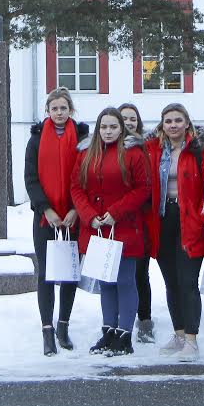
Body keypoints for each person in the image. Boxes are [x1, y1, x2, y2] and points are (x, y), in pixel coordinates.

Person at [71, 107, 152, 357]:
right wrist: (88, 215)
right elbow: (76, 187)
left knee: (125, 281)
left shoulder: (133, 153)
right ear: (98, 129)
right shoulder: (86, 153)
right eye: (104, 127)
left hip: (124, 227)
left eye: (113, 127)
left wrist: (115, 212)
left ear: (121, 128)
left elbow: (143, 188)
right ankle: (108, 330)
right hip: (97, 229)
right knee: (105, 282)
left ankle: (124, 334)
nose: (108, 132)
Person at [143, 103, 204, 362]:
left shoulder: (199, 151)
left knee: (187, 282)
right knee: (171, 282)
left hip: (189, 221)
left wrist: (200, 214)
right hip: (162, 220)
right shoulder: (153, 150)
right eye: (168, 121)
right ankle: (179, 333)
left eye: (178, 120)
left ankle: (192, 339)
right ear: (162, 125)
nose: (173, 125)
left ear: (187, 123)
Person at [24, 88, 88, 356]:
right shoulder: (36, 140)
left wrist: (75, 210)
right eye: (54, 109)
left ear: (70, 110)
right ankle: (47, 329)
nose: (59, 113)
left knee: (70, 274)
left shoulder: (83, 137)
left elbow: (86, 174)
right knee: (47, 275)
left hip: (74, 217)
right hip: (46, 219)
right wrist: (45, 210)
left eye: (63, 108)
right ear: (47, 111)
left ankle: (63, 325)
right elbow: (31, 178)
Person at [117, 103, 158, 344]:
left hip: (141, 219)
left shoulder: (148, 148)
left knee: (140, 273)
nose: (129, 123)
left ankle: (144, 320)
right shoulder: (107, 147)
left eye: (133, 119)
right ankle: (120, 318)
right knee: (119, 274)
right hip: (115, 219)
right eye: (124, 119)